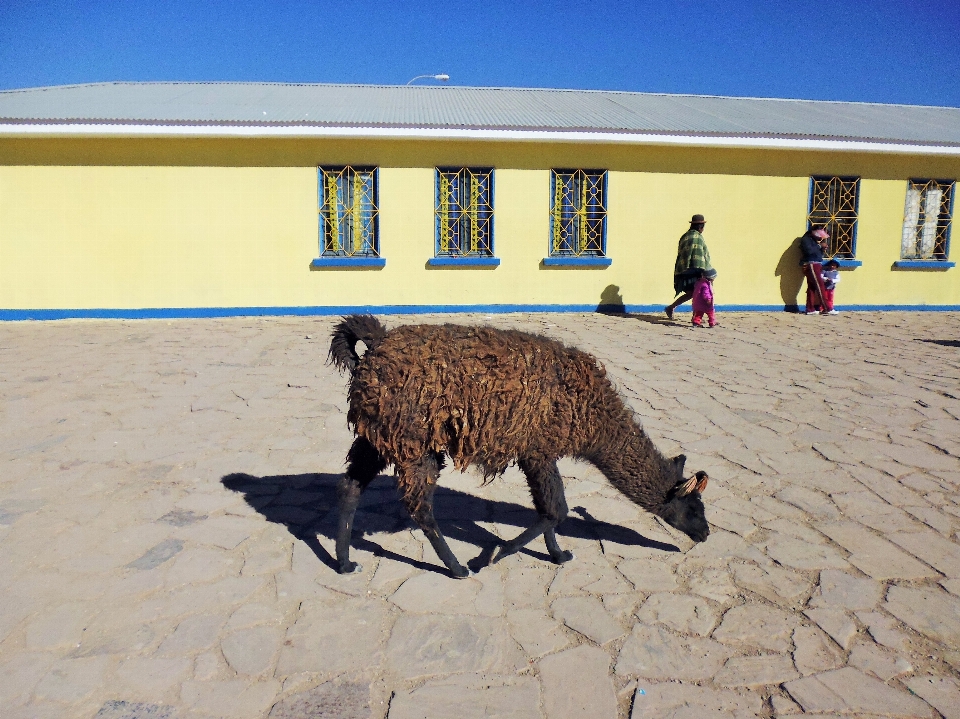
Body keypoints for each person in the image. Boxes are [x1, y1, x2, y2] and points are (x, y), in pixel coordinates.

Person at [665, 214, 716, 320]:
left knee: (692, 293)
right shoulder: (697, 237)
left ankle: (672, 307)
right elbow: (699, 255)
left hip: (684, 269)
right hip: (695, 270)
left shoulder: (685, 236)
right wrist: (703, 270)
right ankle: (697, 317)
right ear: (701, 227)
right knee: (699, 292)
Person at [799, 225, 833, 315]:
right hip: (811, 265)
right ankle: (827, 308)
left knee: (812, 287)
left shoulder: (813, 241)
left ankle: (810, 309)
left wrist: (822, 249)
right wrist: (819, 246)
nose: (819, 238)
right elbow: (809, 251)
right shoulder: (805, 240)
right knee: (820, 285)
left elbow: (817, 254)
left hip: (816, 264)